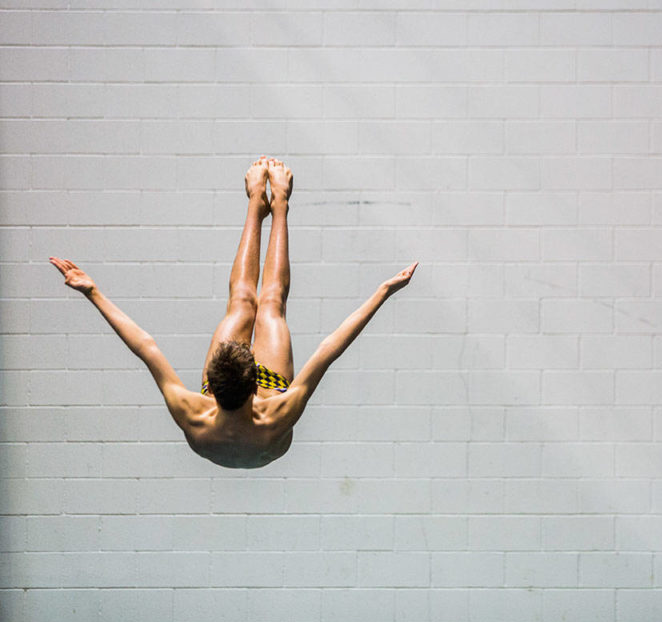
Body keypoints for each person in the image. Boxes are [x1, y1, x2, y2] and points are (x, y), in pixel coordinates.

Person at [51, 157, 417, 468]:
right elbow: (330, 348)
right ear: (255, 386)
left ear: (212, 382)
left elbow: (145, 346)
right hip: (265, 423)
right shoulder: (276, 414)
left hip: (232, 416)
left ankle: (258, 201)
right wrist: (382, 292)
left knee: (246, 305)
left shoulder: (194, 414)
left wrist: (94, 292)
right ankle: (278, 204)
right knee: (266, 304)